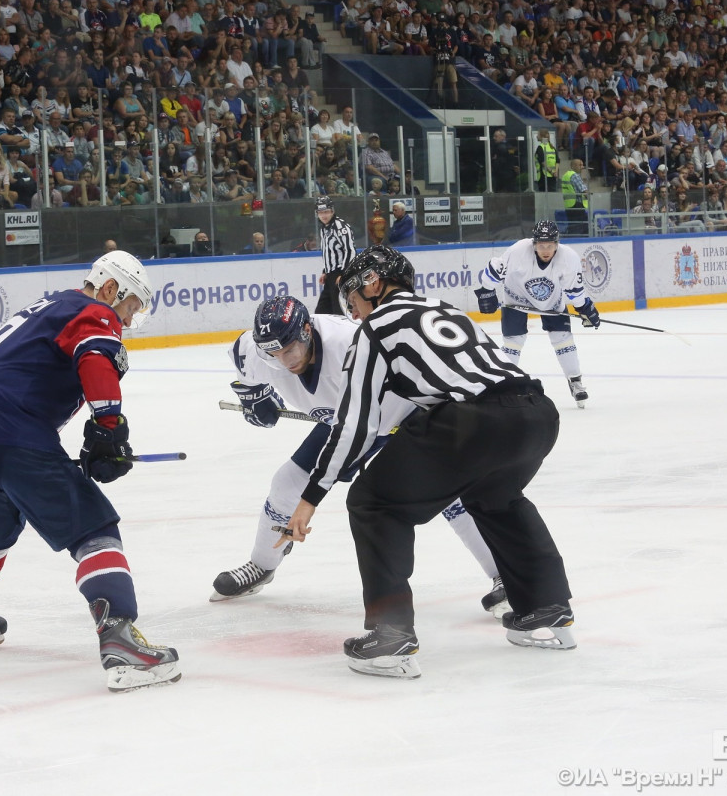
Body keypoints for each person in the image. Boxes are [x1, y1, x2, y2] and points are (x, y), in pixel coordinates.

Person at [284, 246, 575, 678]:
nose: (352, 310)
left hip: (474, 423)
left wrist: (311, 496)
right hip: (535, 412)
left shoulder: (376, 328)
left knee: (373, 501)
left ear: (373, 283)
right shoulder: (445, 310)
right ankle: (547, 606)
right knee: (496, 496)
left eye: (353, 296)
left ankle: (391, 634)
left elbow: (355, 425)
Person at [0, 251, 181, 693]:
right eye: (130, 307)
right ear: (110, 289)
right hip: (4, 422)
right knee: (94, 526)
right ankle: (121, 640)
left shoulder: (52, 307)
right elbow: (95, 357)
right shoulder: (93, 311)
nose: (125, 319)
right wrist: (109, 428)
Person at [214, 295, 510, 617]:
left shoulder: (350, 342)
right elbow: (242, 362)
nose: (285, 362)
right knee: (286, 486)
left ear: (307, 332)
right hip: (347, 423)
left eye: (289, 351)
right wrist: (255, 397)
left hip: (404, 414)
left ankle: (504, 576)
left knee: (451, 495)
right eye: (274, 354)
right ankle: (262, 565)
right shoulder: (259, 352)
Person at [474, 220, 600, 408]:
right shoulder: (518, 251)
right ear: (534, 244)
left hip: (551, 301)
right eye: (541, 245)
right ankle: (505, 385)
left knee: (563, 339)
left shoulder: (569, 258)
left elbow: (574, 289)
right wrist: (487, 291)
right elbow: (494, 269)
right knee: (513, 342)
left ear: (557, 244)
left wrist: (584, 307)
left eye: (550, 245)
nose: (546, 250)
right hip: (516, 299)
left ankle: (575, 382)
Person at [314, 195, 354, 315]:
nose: (324, 215)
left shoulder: (341, 227)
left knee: (340, 312)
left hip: (340, 274)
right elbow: (329, 252)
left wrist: (344, 274)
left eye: (326, 212)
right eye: (320, 212)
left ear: (332, 211)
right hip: (330, 276)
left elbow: (350, 250)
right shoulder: (323, 229)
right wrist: (325, 271)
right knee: (321, 313)